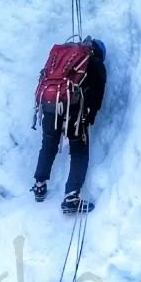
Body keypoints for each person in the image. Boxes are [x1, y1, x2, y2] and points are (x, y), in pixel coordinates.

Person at [31, 36, 106, 214]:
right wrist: (90, 117)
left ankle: (39, 185)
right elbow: (97, 96)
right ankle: (71, 197)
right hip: (74, 111)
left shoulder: (63, 58)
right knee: (79, 151)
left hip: (50, 105)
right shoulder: (95, 62)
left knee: (48, 145)